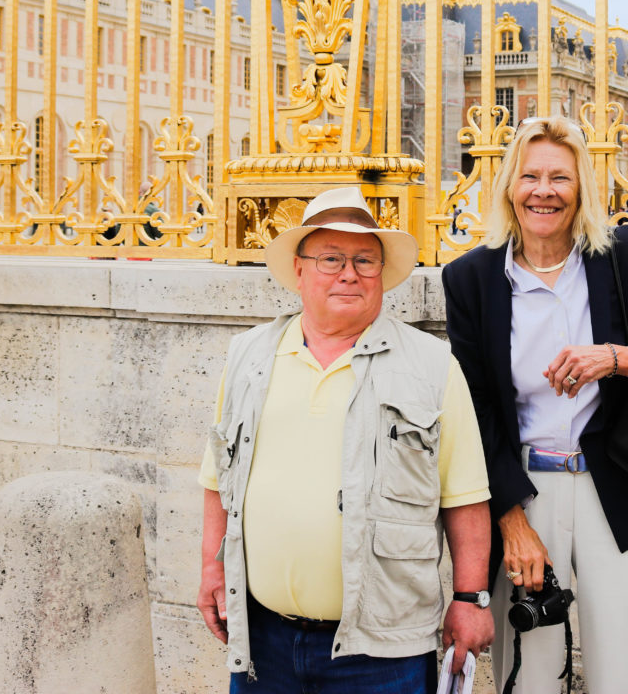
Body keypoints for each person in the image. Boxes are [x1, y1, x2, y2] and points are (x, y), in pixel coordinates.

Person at [441, 117, 628, 694]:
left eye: (560, 178)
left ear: (582, 188)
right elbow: (476, 411)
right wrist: (511, 520)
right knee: (529, 677)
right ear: (509, 186)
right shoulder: (470, 278)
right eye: (531, 176)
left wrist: (615, 358)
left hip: (616, 489)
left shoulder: (623, 256)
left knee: (621, 675)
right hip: (523, 493)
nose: (544, 191)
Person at [197, 187, 495, 691]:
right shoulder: (247, 356)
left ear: (383, 273)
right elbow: (217, 478)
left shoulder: (431, 365)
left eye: (364, 260)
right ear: (298, 270)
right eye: (330, 258)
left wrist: (470, 599)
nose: (348, 273)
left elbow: (465, 497)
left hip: (383, 647)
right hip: (262, 640)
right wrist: (211, 568)